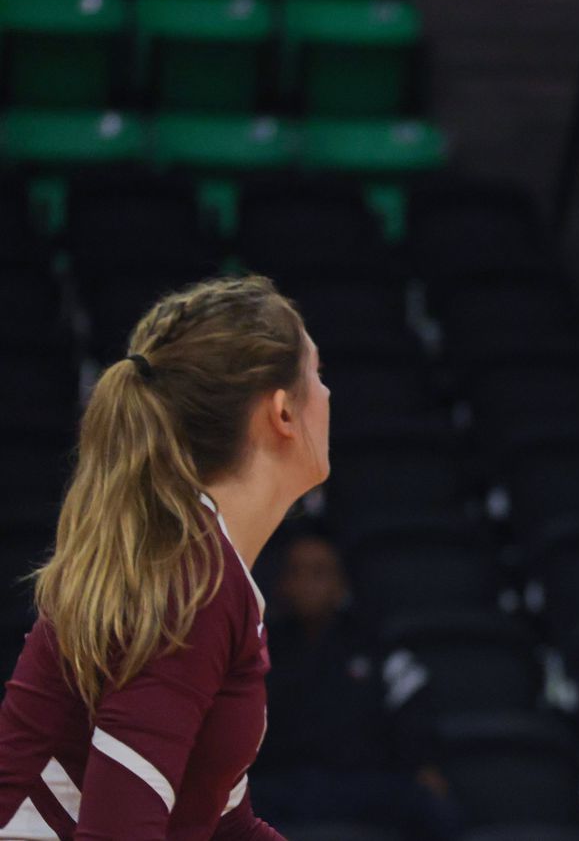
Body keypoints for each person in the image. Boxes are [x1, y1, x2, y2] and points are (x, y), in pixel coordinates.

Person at [0, 275, 329, 839]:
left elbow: (223, 825)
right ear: (282, 413)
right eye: (316, 375)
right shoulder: (190, 582)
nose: (327, 394)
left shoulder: (205, 566)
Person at [251, 528, 461, 840]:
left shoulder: (375, 647)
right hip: (282, 785)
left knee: (430, 805)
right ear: (282, 584)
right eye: (297, 572)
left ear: (340, 585)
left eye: (319, 572)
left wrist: (424, 764)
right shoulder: (257, 652)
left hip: (359, 785)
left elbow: (412, 706)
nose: (307, 583)